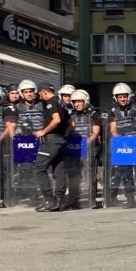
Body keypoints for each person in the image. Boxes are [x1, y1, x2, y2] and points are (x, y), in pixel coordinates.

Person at [107, 83, 136, 209]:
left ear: (129, 96)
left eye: (124, 96)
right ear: (115, 98)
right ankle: (131, 200)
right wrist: (118, 143)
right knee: (126, 174)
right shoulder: (112, 111)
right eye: (120, 97)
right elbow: (113, 129)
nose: (122, 99)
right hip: (123, 145)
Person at [33, 84, 70, 212]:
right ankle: (59, 201)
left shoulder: (50, 102)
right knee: (59, 171)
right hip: (60, 140)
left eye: (39, 94)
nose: (39, 96)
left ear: (44, 92)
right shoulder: (62, 103)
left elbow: (56, 120)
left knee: (39, 168)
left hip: (51, 140)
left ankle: (49, 200)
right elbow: (71, 123)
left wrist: (43, 131)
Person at [62, 89, 101, 210]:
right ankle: (73, 199)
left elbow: (95, 133)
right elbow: (65, 130)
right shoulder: (69, 114)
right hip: (72, 148)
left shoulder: (93, 114)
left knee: (89, 174)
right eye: (75, 102)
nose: (77, 104)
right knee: (73, 175)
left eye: (79, 101)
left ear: (85, 101)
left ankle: (91, 199)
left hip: (87, 148)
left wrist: (86, 144)